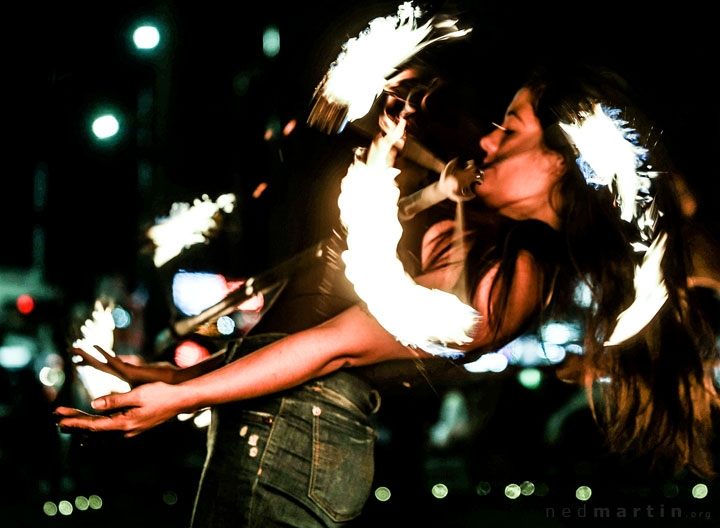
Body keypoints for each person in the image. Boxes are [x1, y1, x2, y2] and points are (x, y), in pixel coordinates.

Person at [55, 58, 720, 527]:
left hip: (291, 444)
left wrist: (183, 392)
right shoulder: (495, 247)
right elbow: (313, 343)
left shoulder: (509, 286)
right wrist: (171, 380)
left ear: (559, 162)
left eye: (510, 129)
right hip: (282, 436)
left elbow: (334, 349)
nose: (488, 138)